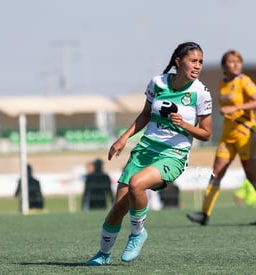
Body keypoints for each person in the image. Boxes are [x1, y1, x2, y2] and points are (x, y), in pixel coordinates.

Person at [86, 41, 212, 266]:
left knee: (137, 184)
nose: (198, 66)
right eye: (193, 61)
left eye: (200, 62)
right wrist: (123, 138)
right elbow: (145, 115)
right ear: (178, 62)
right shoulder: (157, 83)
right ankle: (103, 254)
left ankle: (138, 234)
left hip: (173, 154)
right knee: (118, 208)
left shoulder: (200, 93)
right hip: (144, 149)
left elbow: (205, 134)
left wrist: (183, 124)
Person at [187, 50, 256, 226]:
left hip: (245, 134)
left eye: (238, 61)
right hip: (228, 137)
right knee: (216, 173)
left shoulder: (245, 81)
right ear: (224, 65)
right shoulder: (222, 84)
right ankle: (204, 214)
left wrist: (235, 109)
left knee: (252, 175)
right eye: (231, 61)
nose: (235, 64)